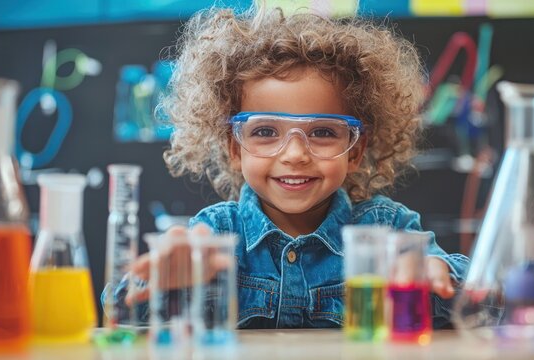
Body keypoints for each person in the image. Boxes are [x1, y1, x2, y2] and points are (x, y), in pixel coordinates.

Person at [105, 4, 469, 329]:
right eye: (265, 131)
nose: (295, 154)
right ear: (235, 147)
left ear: (355, 150)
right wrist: (163, 272)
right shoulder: (213, 236)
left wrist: (439, 276)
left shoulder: (387, 230)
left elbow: (484, 303)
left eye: (323, 132)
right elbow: (120, 310)